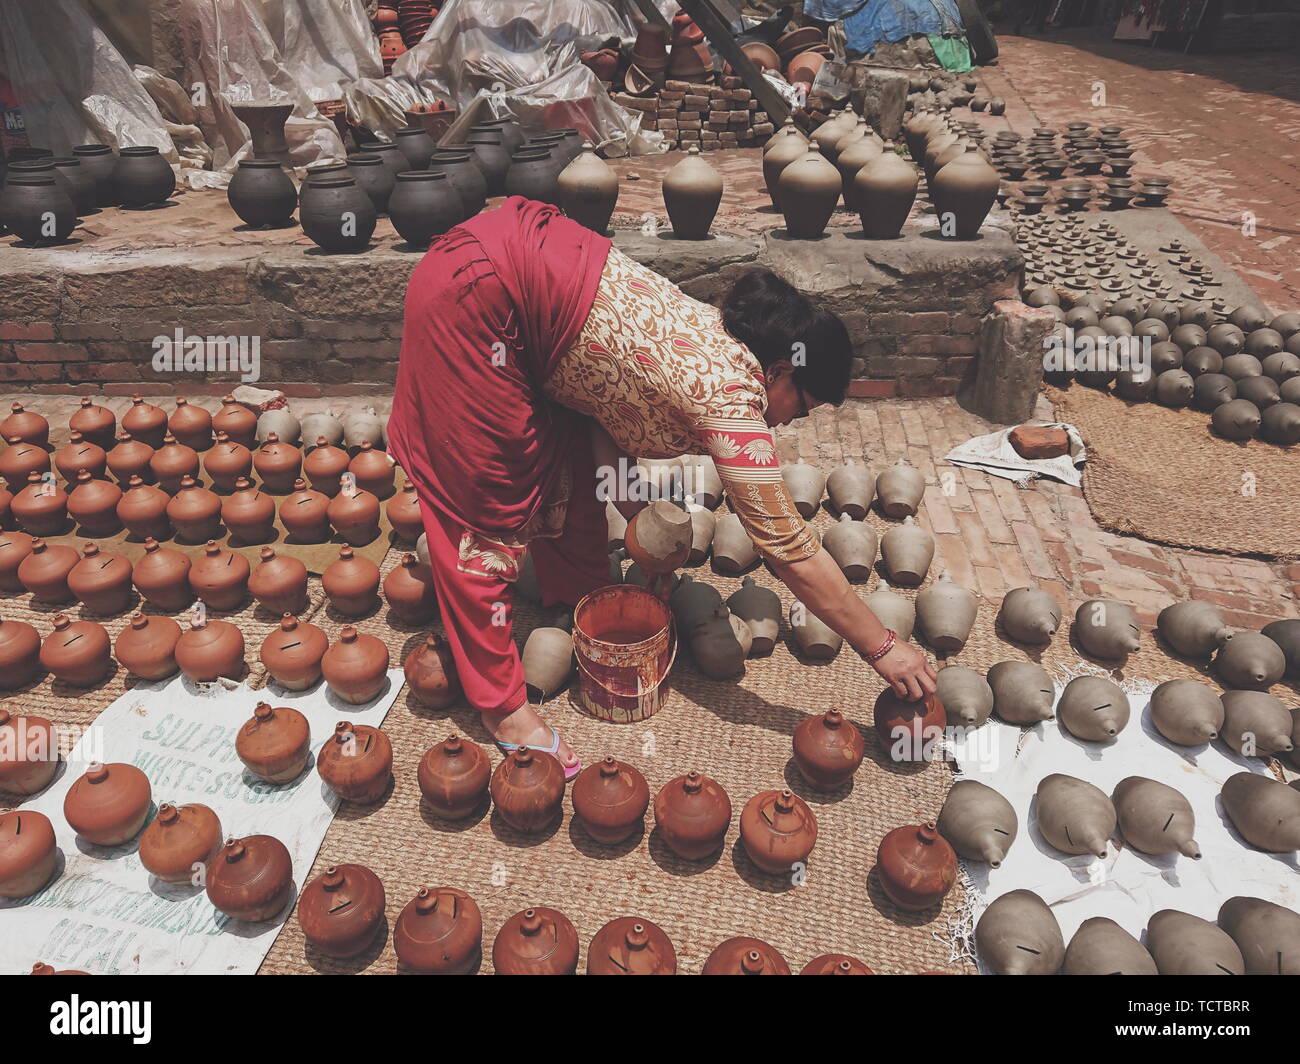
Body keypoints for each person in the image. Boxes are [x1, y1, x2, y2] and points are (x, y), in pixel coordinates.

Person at [387, 197, 937, 779]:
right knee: (487, 506)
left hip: (523, 271)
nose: (789, 423)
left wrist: (641, 522)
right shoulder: (729, 398)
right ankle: (503, 709)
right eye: (799, 407)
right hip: (479, 301)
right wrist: (883, 647)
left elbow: (596, 412)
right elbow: (787, 546)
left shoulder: (716, 335)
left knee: (562, 449)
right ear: (780, 371)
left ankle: (577, 593)